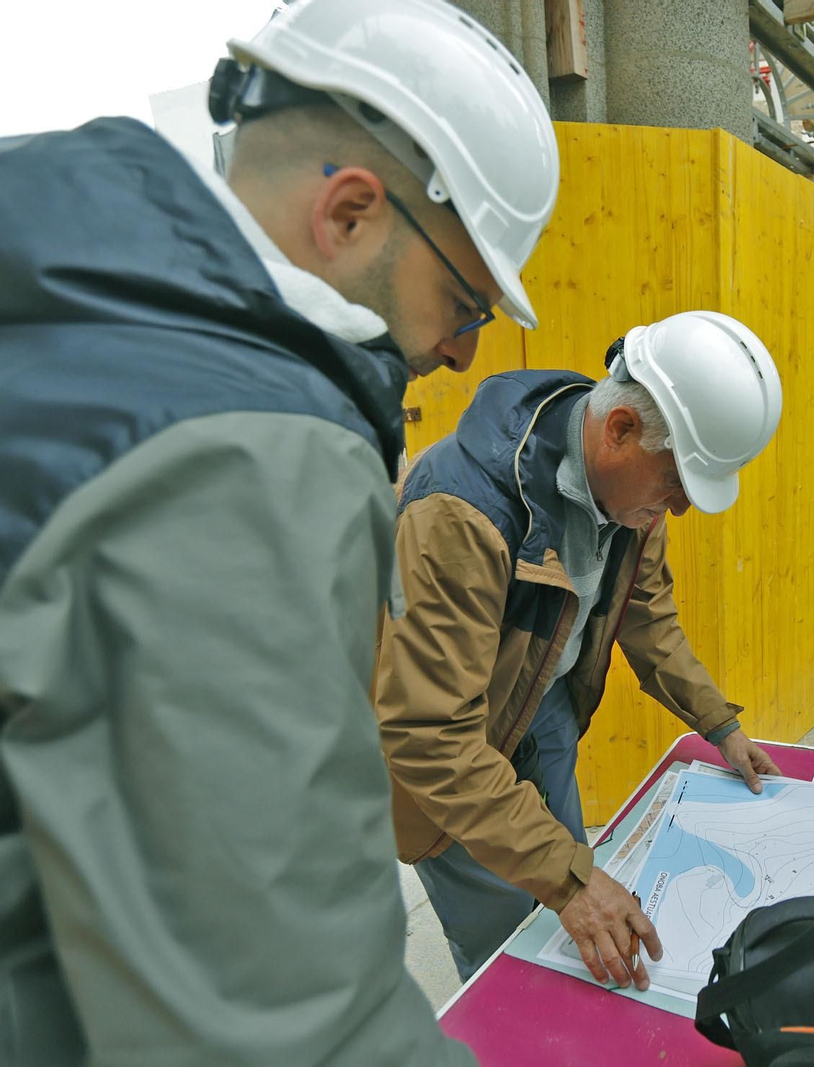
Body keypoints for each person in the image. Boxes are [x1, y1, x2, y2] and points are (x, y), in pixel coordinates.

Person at [0, 0, 558, 1061]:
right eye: (466, 301)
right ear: (350, 213)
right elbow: (285, 1014)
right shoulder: (245, 452)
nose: (460, 354)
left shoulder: (67, 303)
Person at [372, 311, 784, 990]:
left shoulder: (634, 497)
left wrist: (722, 723)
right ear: (619, 430)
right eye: (676, 484)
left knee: (572, 904)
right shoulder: (460, 511)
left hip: (545, 711)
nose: (678, 509)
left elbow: (649, 619)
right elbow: (428, 735)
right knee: (510, 948)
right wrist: (571, 881)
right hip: (450, 756)